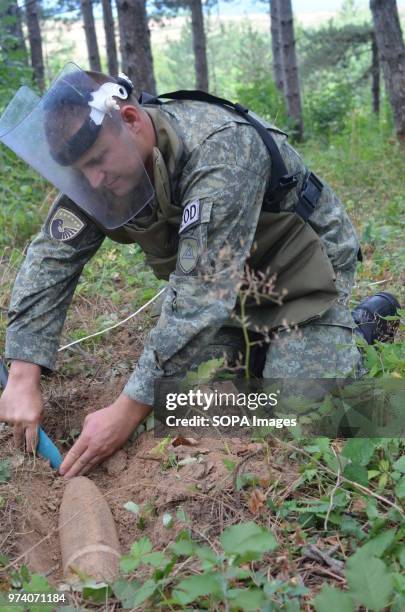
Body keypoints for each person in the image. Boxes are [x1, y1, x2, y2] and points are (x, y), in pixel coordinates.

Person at [0, 66, 386, 478]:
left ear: (130, 120)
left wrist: (126, 410)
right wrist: (22, 373)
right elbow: (52, 257)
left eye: (97, 161)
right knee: (180, 405)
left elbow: (199, 300)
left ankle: (356, 329)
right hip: (228, 293)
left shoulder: (221, 148)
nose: (93, 179)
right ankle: (266, 354)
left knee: (297, 415)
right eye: (82, 171)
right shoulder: (102, 167)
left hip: (299, 275)